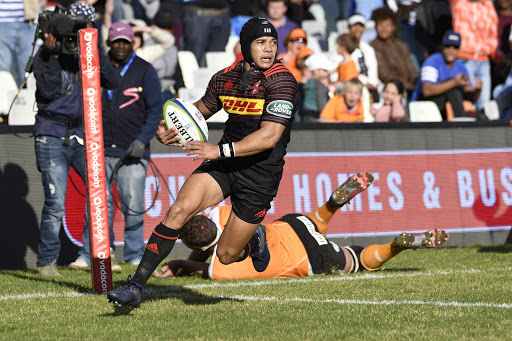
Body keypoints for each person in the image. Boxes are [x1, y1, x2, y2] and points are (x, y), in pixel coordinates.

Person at [107, 16, 299, 309]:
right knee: (178, 211)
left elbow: (269, 137)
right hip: (225, 163)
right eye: (261, 42)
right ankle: (135, 288)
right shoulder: (224, 78)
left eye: (273, 42)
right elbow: (194, 115)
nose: (269, 49)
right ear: (246, 46)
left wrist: (218, 152)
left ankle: (255, 242)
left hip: (260, 173)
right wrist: (169, 130)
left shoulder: (282, 80)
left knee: (226, 255)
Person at [153, 172, 450, 280]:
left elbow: (207, 266)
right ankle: (332, 205)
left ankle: (394, 245)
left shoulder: (221, 268)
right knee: (316, 222)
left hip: (307, 258)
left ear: (204, 249)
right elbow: (207, 238)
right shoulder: (221, 212)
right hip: (291, 225)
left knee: (357, 260)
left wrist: (180, 262)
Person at [33, 3, 118, 276]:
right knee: (55, 202)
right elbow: (48, 91)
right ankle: (46, 262)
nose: (76, 34)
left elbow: (113, 81)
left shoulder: (89, 52)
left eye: (83, 28)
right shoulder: (45, 55)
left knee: (101, 195)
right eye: (73, 29)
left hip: (85, 133)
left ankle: (94, 254)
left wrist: (94, 51)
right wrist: (53, 52)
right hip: (52, 133)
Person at [69, 22, 162, 270]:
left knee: (132, 204)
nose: (121, 46)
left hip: (133, 148)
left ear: (133, 43)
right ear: (109, 43)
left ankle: (133, 253)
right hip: (98, 149)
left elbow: (155, 111)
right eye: (116, 41)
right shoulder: (95, 67)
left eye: (125, 42)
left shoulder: (145, 70)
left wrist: (142, 140)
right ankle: (91, 253)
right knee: (98, 204)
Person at [410, 31, 482, 120]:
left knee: (480, 116)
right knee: (454, 91)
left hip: (450, 106)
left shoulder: (461, 66)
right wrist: (454, 82)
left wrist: (477, 90)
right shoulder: (432, 61)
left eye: (455, 47)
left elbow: (469, 98)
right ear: (442, 47)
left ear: (459, 49)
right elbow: (427, 91)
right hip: (424, 104)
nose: (451, 50)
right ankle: (462, 125)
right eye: (448, 46)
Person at [448, 0, 498, 112]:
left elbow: (493, 30)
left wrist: (491, 52)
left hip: (484, 59)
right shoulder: (459, 3)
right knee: (467, 99)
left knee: (484, 103)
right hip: (465, 58)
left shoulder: (487, 5)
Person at [370, 7, 418, 97]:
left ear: (393, 27)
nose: (384, 29)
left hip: (409, 89)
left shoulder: (402, 46)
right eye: (380, 25)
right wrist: (405, 86)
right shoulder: (373, 47)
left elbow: (411, 70)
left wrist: (417, 82)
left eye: (387, 25)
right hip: (390, 91)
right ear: (375, 26)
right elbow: (384, 74)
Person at [0, 0, 38, 88]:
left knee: (29, 72)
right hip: (2, 20)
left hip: (28, 20)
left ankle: (26, 101)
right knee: (2, 71)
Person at [347, 13, 381, 104]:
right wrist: (363, 83)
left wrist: (372, 82)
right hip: (353, 86)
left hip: (370, 87)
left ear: (364, 28)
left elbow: (373, 70)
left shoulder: (368, 49)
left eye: (361, 26)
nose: (358, 29)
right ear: (349, 27)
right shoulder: (344, 47)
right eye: (355, 26)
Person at [300, 52, 337, 122]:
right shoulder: (319, 84)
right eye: (325, 70)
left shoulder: (308, 82)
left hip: (305, 114)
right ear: (316, 71)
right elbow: (321, 101)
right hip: (314, 115)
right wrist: (324, 115)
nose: (328, 73)